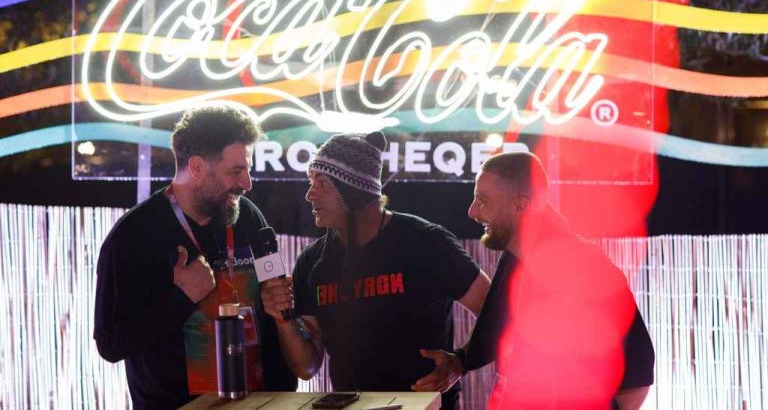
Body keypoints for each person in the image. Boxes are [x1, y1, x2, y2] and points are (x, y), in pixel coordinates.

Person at [260, 131, 491, 410]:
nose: (310, 194)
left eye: (322, 183)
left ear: (352, 191)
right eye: (311, 183)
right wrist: (283, 319)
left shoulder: (426, 242)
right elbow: (307, 367)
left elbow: (494, 312)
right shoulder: (312, 262)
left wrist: (461, 361)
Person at [93, 104, 297, 409]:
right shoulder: (133, 236)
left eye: (248, 169)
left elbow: (275, 293)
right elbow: (111, 345)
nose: (247, 184)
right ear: (198, 167)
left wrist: (278, 297)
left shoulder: (249, 217)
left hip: (258, 403)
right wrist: (181, 298)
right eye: (236, 172)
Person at [421, 152, 655, 409]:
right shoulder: (514, 259)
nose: (472, 211)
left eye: (483, 201)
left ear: (520, 206)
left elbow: (637, 376)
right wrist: (458, 361)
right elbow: (491, 333)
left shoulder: (586, 267)